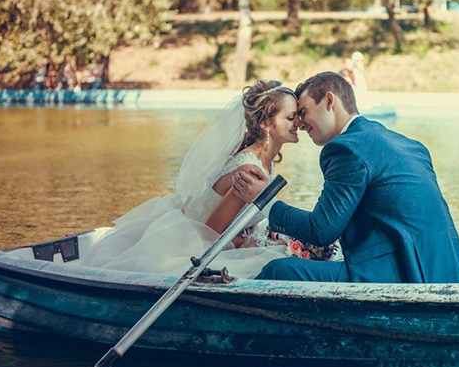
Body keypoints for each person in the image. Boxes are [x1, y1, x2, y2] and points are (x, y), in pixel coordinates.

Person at [233, 71, 459, 283]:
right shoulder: (410, 145)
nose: (301, 124)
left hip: (403, 275)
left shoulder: (346, 149)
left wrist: (266, 200)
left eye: (304, 112)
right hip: (450, 272)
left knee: (279, 270)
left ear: (329, 100)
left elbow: (321, 231)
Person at [84, 80, 300, 278]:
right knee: (277, 262)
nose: (298, 122)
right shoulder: (248, 171)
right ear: (265, 123)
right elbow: (212, 231)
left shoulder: (266, 161)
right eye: (290, 118)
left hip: (221, 238)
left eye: (298, 115)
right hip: (195, 245)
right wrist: (254, 244)